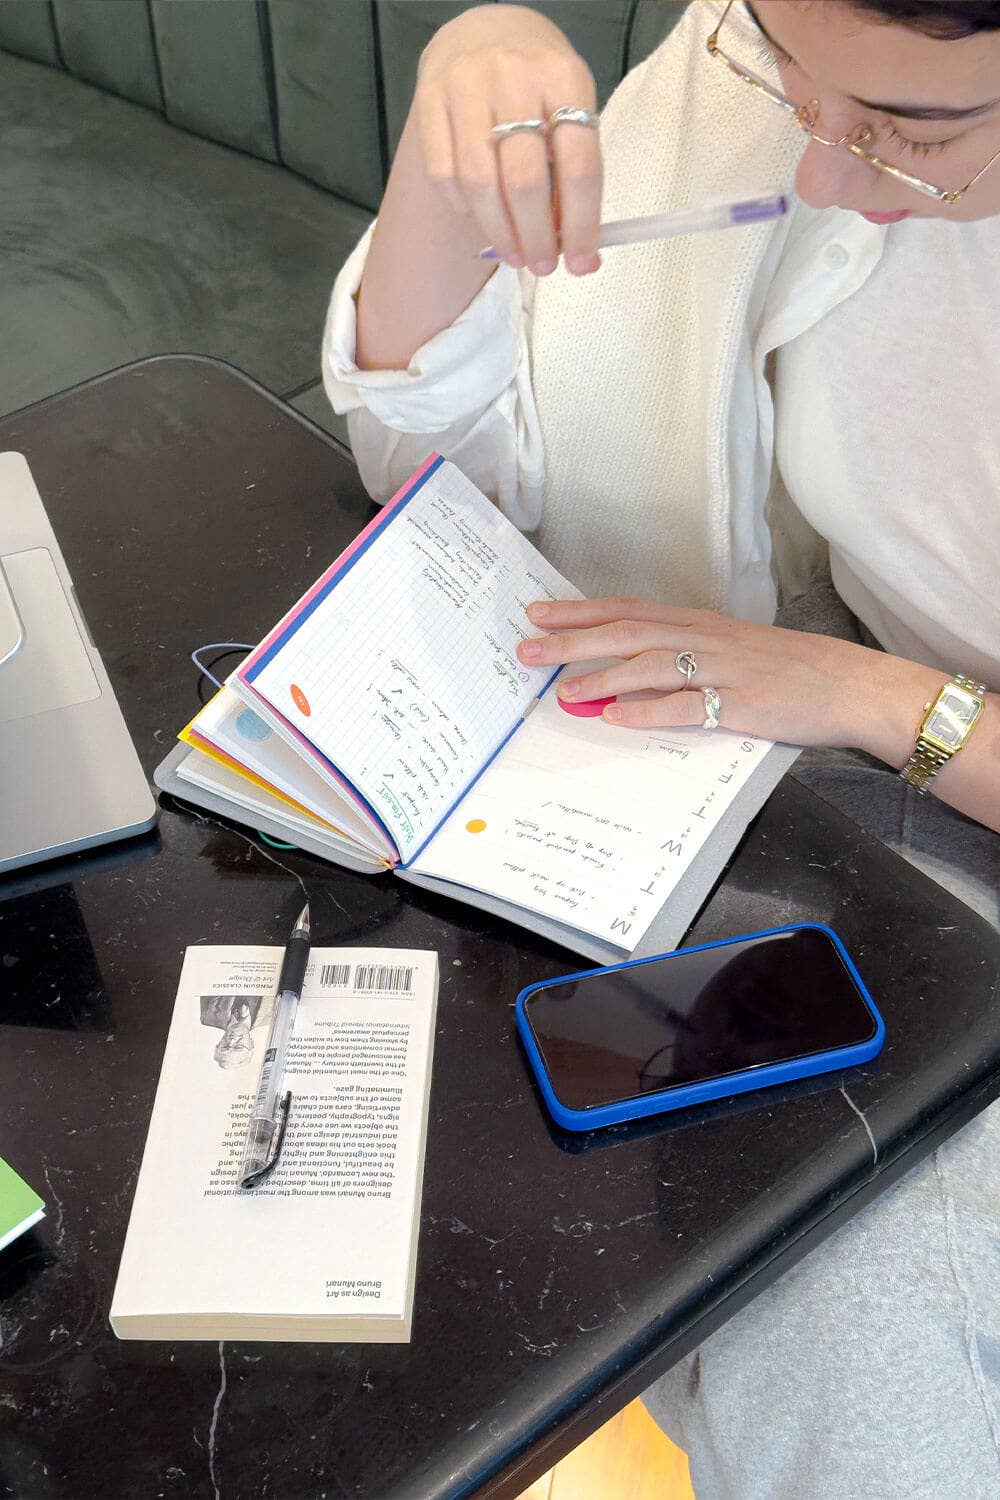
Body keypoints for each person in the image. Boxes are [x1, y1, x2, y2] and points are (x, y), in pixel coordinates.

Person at [321, 2, 1000, 1494]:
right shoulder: (763, 65)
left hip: (912, 782)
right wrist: (453, 122)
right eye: (784, 72)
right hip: (829, 794)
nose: (817, 171)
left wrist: (872, 696)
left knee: (850, 1309)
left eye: (911, 133)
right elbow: (444, 481)